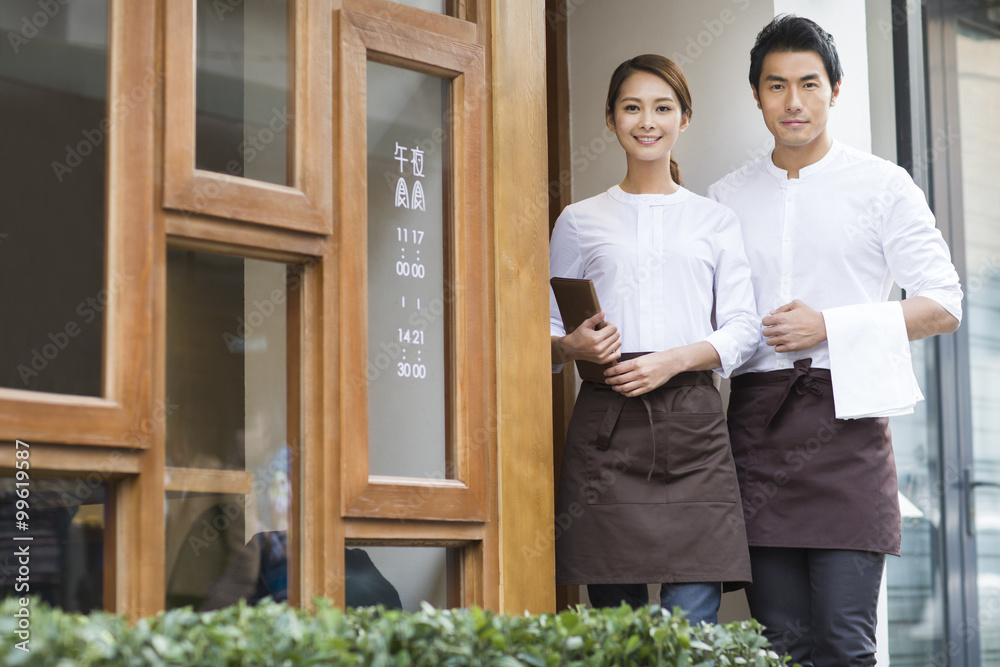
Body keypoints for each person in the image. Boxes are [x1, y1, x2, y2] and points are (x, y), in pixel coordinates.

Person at [707, 15, 962, 666]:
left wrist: (831, 325)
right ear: (757, 95)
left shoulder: (883, 186)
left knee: (847, 645)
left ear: (836, 90)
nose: (793, 102)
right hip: (756, 428)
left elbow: (944, 304)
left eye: (809, 84)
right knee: (779, 646)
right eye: (776, 86)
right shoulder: (724, 199)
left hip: (848, 426)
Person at [549, 54, 760, 625]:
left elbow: (743, 328)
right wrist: (573, 347)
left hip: (694, 422)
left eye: (662, 107)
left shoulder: (714, 220)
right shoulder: (579, 219)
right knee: (617, 633)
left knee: (690, 630)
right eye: (632, 107)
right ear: (612, 119)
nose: (648, 120)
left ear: (684, 119)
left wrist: (670, 361)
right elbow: (547, 329)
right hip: (605, 420)